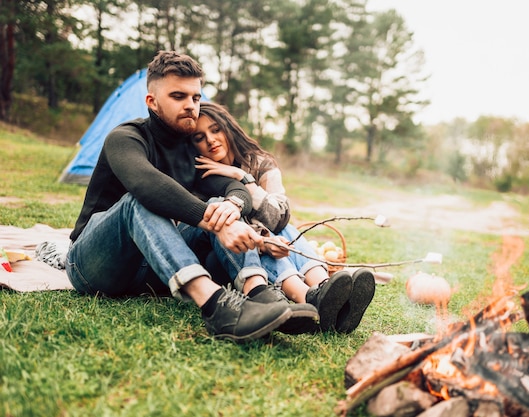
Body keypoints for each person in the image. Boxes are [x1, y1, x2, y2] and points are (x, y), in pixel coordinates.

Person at [65, 50, 317, 343]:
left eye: (196, 98)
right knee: (138, 202)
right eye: (178, 96)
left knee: (218, 204)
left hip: (152, 270)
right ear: (152, 101)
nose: (190, 105)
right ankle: (217, 307)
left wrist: (232, 206)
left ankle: (261, 296)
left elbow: (232, 189)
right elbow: (147, 185)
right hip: (95, 265)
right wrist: (215, 223)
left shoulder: (190, 151)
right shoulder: (125, 139)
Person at [191, 102, 376, 333]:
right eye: (199, 137)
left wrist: (243, 178)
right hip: (226, 259)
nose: (210, 140)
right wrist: (264, 242)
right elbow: (220, 229)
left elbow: (280, 214)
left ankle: (323, 288)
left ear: (228, 128)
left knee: (283, 228)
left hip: (262, 242)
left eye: (215, 129)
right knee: (275, 232)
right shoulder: (198, 177)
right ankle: (307, 297)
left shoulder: (259, 162)